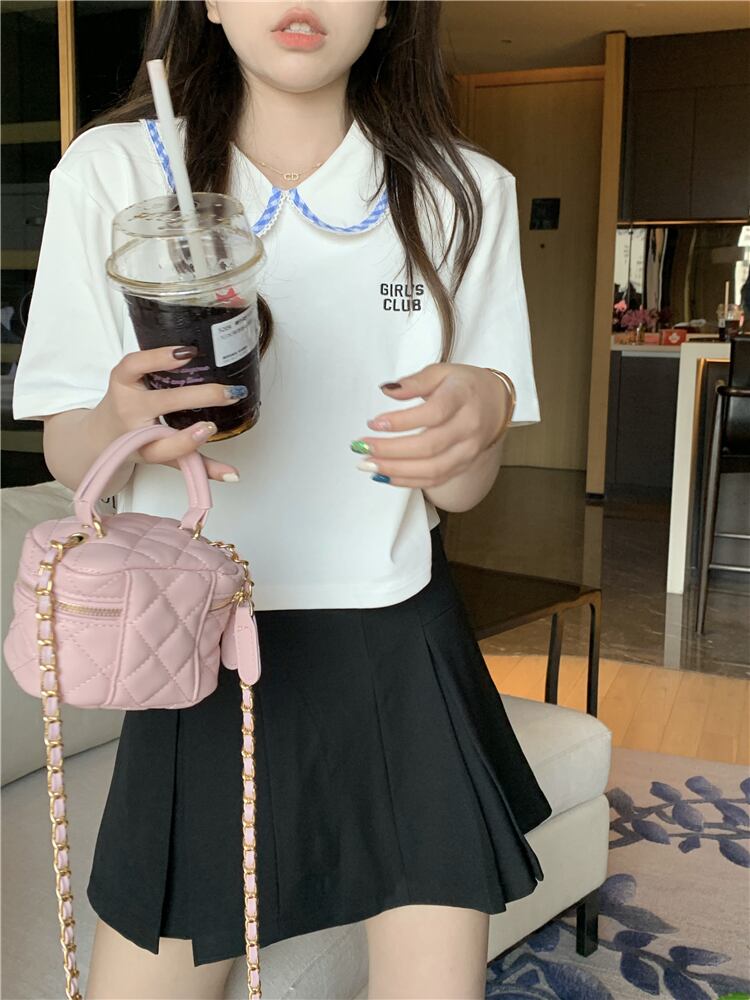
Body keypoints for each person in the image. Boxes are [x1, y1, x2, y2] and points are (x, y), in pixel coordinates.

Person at [12, 2, 553, 997]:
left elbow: (465, 489)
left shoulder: (463, 190)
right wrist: (121, 419)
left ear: (387, 7)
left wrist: (479, 417)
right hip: (194, 640)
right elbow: (64, 445)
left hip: (397, 638)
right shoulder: (115, 171)